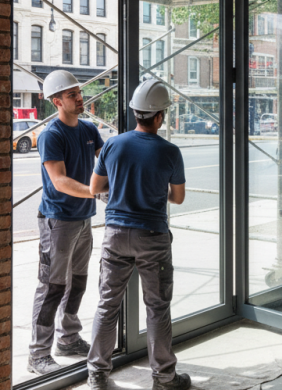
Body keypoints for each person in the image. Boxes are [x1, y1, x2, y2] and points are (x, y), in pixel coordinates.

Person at [86, 80, 189, 390]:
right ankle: (164, 379)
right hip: (152, 236)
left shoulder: (114, 144)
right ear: (159, 116)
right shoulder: (170, 152)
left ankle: (97, 375)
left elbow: (95, 189)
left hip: (116, 234)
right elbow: (178, 197)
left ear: (134, 112)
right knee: (157, 308)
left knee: (107, 305)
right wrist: (156, 192)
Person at [28, 70, 104, 374]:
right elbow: (58, 180)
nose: (79, 97)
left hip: (83, 220)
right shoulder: (51, 135)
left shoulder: (88, 130)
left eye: (79, 92)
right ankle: (37, 355)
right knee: (52, 287)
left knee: (78, 283)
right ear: (57, 101)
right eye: (72, 94)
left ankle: (68, 338)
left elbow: (107, 160)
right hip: (57, 222)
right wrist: (94, 192)